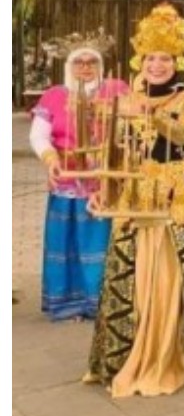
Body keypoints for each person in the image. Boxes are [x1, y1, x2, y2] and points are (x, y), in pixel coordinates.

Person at [85, 3, 184, 398]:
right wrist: (103, 189)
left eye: (165, 58)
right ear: (141, 59)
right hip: (137, 195)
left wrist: (149, 113)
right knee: (133, 278)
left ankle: (182, 353)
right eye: (151, 58)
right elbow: (115, 151)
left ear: (177, 60)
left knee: (178, 277)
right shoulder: (126, 99)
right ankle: (131, 352)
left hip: (179, 197)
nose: (157, 66)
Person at [28, 35, 126, 320]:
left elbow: (133, 125)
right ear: (69, 66)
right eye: (79, 62)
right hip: (68, 180)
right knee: (66, 243)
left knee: (100, 243)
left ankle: (102, 303)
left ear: (101, 65)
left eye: (92, 62)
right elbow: (38, 134)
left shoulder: (116, 90)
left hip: (106, 180)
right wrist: (51, 159)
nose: (85, 67)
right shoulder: (55, 95)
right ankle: (66, 303)